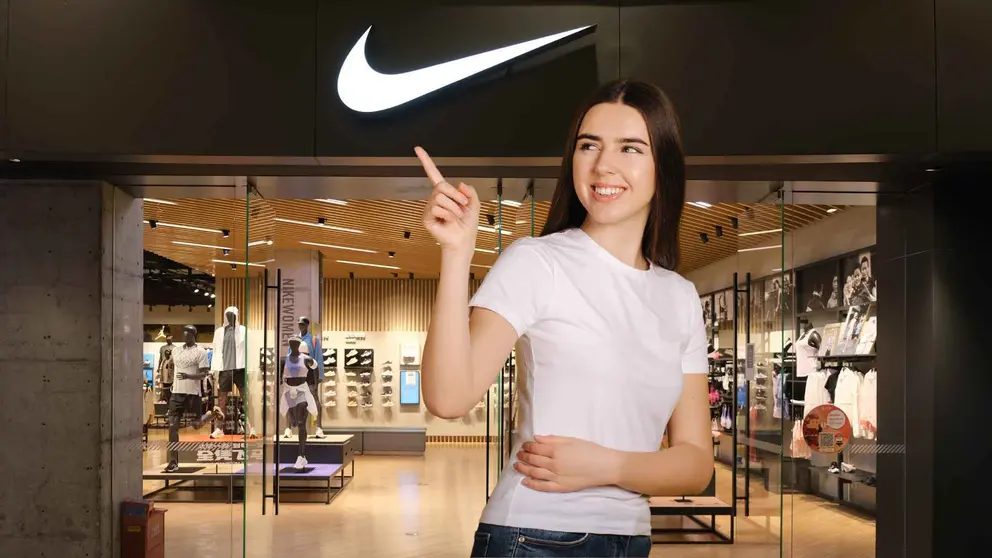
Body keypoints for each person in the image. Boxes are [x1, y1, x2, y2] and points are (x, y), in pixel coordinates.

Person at [416, 79, 713, 558]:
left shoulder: (680, 298)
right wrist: (456, 255)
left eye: (630, 148)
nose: (603, 165)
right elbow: (448, 397)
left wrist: (607, 465)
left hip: (631, 540)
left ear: (664, 167)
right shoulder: (537, 262)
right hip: (533, 536)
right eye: (588, 145)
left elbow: (697, 464)